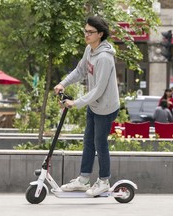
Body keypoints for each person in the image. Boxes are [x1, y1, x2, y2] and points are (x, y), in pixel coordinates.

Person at [54, 16, 119, 196]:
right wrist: (63, 84)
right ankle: (83, 180)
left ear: (100, 34)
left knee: (100, 143)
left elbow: (98, 89)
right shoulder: (89, 50)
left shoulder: (105, 58)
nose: (86, 35)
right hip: (94, 105)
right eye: (85, 31)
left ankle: (104, 180)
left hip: (106, 107)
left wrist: (76, 103)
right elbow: (80, 70)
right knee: (88, 142)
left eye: (90, 32)